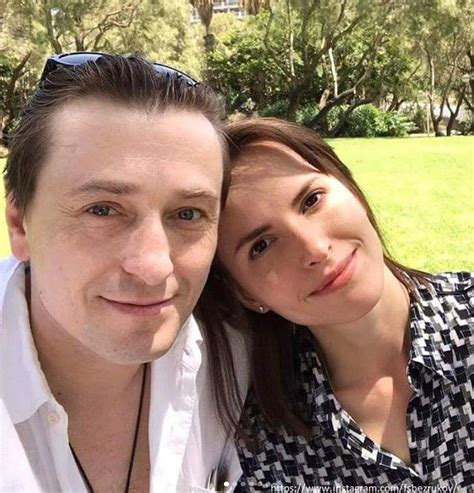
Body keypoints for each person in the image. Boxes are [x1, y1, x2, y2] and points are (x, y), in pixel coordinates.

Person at [0, 52, 248, 492]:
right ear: (20, 225)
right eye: (102, 210)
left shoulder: (246, 357)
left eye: (188, 214)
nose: (154, 268)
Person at [213, 117, 473, 489]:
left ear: (351, 188)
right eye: (262, 245)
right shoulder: (264, 447)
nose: (315, 249)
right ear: (245, 293)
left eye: (311, 200)